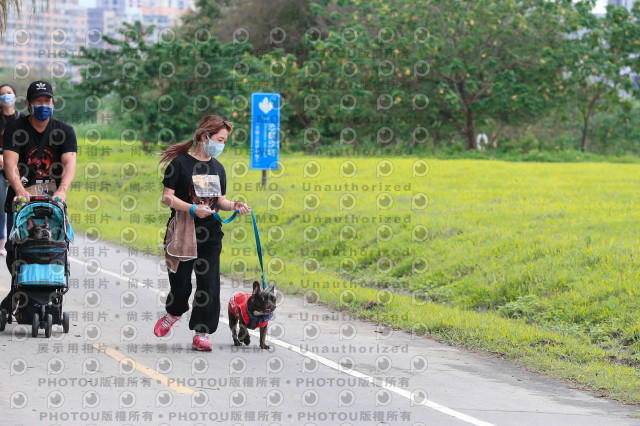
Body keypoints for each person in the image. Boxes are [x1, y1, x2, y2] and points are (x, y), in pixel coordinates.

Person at [154, 114, 251, 351]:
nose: (222, 145)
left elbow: (221, 202)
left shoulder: (217, 168)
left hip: (210, 236)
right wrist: (192, 208)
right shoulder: (179, 164)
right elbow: (167, 197)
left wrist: (235, 206)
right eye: (220, 139)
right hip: (183, 234)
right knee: (181, 287)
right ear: (204, 136)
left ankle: (202, 332)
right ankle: (174, 312)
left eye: (225, 140)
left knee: (208, 286)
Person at [0, 80, 77, 313]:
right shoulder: (16, 128)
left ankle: (48, 289)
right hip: (22, 201)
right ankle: (19, 288)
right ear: (29, 104)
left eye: (47, 101)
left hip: (53, 201)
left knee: (53, 244)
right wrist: (20, 190)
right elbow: (11, 164)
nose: (43, 105)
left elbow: (69, 162)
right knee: (15, 247)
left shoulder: (64, 131)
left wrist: (62, 190)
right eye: (38, 101)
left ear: (53, 103)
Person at [0, 84, 23, 257]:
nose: (6, 96)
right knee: (1, 202)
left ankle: (20, 238)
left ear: (15, 97)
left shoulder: (22, 120)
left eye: (9, 93)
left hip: (19, 167)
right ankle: (2, 240)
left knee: (20, 200)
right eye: (2, 94)